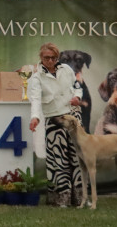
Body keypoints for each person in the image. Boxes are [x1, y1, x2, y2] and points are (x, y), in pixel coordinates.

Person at [28, 42, 84, 207]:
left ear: (57, 57)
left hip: (73, 117)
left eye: (53, 58)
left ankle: (80, 197)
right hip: (53, 119)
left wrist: (77, 97)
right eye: (47, 58)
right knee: (58, 160)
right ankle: (60, 198)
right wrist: (35, 117)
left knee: (77, 157)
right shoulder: (36, 77)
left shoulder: (67, 70)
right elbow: (36, 100)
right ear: (41, 57)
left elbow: (77, 87)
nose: (50, 61)